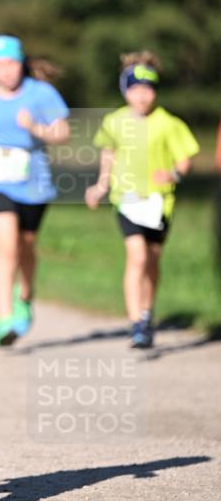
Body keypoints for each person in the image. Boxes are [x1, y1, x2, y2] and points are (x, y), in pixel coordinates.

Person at [0, 35, 70, 346]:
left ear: (21, 62)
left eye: (10, 64)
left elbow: (62, 132)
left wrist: (36, 128)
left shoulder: (41, 93)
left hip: (33, 183)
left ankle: (27, 294)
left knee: (26, 247)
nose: (5, 71)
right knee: (5, 246)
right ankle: (4, 318)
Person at [85, 52, 200, 349]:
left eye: (148, 89)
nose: (142, 95)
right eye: (136, 89)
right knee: (136, 256)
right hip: (127, 199)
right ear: (126, 90)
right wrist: (100, 186)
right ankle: (136, 321)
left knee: (152, 260)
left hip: (160, 203)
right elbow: (108, 155)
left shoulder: (168, 123)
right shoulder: (114, 121)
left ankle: (148, 313)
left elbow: (185, 158)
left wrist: (173, 174)